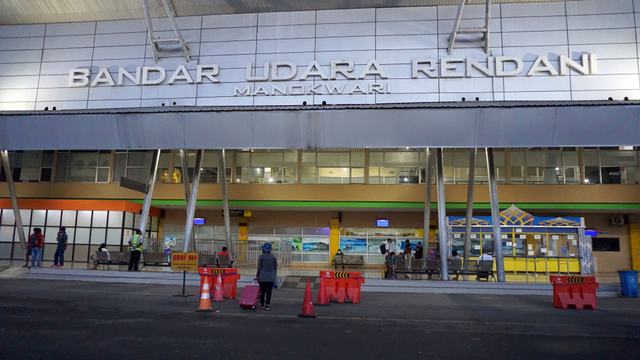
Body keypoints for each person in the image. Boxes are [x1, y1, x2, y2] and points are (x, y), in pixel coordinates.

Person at [254, 242, 278, 311]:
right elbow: (275, 268)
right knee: (269, 291)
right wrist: (274, 276)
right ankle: (267, 304)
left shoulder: (261, 257)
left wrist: (257, 276)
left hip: (263, 276)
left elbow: (259, 267)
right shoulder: (273, 257)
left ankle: (262, 303)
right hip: (270, 276)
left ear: (264, 249)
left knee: (262, 291)